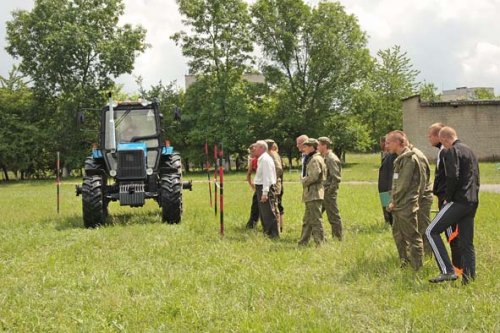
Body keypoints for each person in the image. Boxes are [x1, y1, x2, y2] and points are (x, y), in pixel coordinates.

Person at [426, 127, 479, 284]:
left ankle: (447, 270)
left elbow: (452, 176)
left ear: (444, 140)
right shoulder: (470, 151)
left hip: (457, 201)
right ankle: (469, 281)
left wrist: (447, 198)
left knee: (430, 231)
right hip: (471, 202)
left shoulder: (451, 151)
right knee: (466, 243)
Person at [386, 131, 424, 271]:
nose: (387, 145)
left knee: (412, 236)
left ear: (398, 142)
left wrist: (393, 202)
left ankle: (417, 268)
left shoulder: (409, 159)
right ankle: (405, 262)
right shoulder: (400, 159)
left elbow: (403, 185)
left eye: (389, 142)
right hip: (398, 205)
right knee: (398, 235)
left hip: (406, 204)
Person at [428, 123, 462, 274]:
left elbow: (450, 177)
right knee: (451, 235)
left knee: (452, 236)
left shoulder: (446, 152)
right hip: (443, 198)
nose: (428, 139)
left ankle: (456, 270)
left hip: (447, 200)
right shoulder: (442, 151)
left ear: (438, 137)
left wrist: (446, 198)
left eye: (430, 136)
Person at [298, 138, 327, 246]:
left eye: (305, 146)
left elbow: (314, 176)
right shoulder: (315, 158)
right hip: (312, 193)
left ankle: (320, 243)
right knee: (307, 220)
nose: (303, 148)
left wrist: (303, 180)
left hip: (314, 193)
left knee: (315, 220)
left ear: (311, 147)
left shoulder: (315, 159)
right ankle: (303, 242)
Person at [409, 143, 434, 257]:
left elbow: (422, 181)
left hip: (422, 199)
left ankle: (429, 254)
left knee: (424, 227)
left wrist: (416, 201)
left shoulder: (416, 155)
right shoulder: (407, 155)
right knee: (417, 227)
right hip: (416, 198)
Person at [317, 136, 343, 241]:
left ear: (324, 145)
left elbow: (336, 178)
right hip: (323, 191)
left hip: (328, 192)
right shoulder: (324, 157)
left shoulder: (331, 158)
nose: (317, 147)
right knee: (314, 214)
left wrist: (329, 191)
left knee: (333, 216)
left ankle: (338, 238)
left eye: (318, 145)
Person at [253, 140, 279, 238]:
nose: (253, 149)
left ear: (262, 148)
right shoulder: (262, 159)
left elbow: (267, 177)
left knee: (268, 212)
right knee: (264, 212)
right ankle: (267, 232)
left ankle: (273, 234)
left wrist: (265, 193)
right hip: (262, 187)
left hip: (265, 187)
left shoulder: (265, 159)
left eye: (256, 147)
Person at [266, 139, 285, 233]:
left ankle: (276, 229)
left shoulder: (272, 154)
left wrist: (272, 179)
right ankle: (276, 228)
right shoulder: (272, 154)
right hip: (274, 184)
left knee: (275, 206)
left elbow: (279, 169)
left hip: (274, 185)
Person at [378, 136, 397, 225]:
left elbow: (394, 173)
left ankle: (391, 222)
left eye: (386, 143)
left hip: (388, 187)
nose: (384, 145)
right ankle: (387, 221)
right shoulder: (386, 154)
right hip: (383, 187)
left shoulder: (393, 156)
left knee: (389, 206)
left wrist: (391, 188)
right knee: (385, 204)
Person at [245, 144, 260, 229]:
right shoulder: (253, 161)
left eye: (253, 151)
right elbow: (249, 174)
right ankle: (251, 225)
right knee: (255, 206)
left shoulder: (266, 158)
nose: (252, 153)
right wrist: (252, 185)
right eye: (251, 152)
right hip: (258, 186)